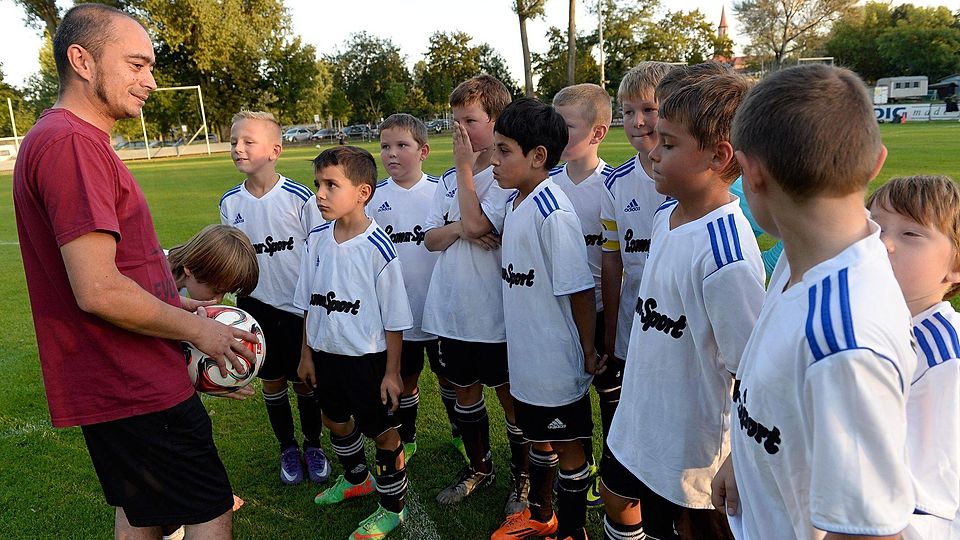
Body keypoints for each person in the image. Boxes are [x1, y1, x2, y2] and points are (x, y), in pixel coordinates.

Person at [12, 4, 256, 538]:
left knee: (145, 518)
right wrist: (203, 333)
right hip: (131, 379)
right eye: (136, 65)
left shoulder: (66, 139)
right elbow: (99, 290)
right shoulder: (71, 144)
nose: (150, 81)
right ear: (82, 60)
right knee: (209, 511)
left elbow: (120, 271)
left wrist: (177, 305)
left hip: (119, 377)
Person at [712, 64, 916, 539]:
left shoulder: (842, 341)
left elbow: (869, 530)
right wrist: (743, 456)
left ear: (752, 174)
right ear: (876, 163)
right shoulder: (804, 255)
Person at [601, 74, 764, 540]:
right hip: (643, 421)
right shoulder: (664, 216)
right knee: (620, 500)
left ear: (718, 155)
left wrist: (738, 459)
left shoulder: (725, 256)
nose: (652, 152)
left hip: (691, 449)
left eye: (668, 144)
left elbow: (753, 370)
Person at [487, 98, 600, 540]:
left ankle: (573, 530)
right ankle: (541, 516)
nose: (494, 160)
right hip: (528, 357)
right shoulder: (517, 203)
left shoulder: (554, 214)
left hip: (556, 362)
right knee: (538, 438)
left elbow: (579, 288)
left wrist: (587, 351)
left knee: (570, 450)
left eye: (503, 151)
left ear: (537, 156)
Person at [421, 75, 530, 514]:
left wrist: (467, 176)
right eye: (455, 120)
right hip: (452, 310)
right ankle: (479, 467)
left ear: (497, 119)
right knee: (463, 392)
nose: (460, 130)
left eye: (470, 119)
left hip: (496, 314)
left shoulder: (505, 177)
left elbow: (482, 225)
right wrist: (462, 229)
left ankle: (522, 480)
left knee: (511, 400)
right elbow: (431, 238)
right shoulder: (447, 179)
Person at [296, 146, 412, 539]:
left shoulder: (378, 248)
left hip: (367, 358)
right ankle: (357, 477)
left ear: (363, 192)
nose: (321, 194)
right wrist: (306, 354)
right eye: (317, 185)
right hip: (325, 354)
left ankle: (392, 507)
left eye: (332, 185)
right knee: (335, 420)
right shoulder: (315, 240)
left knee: (382, 431)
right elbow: (308, 302)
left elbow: (395, 319)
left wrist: (392, 373)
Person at [219, 110, 329, 487]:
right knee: (272, 382)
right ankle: (287, 447)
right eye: (234, 141)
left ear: (275, 149)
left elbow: (320, 253)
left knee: (305, 380)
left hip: (298, 308)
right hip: (254, 308)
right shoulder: (230, 203)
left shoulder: (299, 198)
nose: (237, 148)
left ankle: (313, 445)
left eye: (248, 141)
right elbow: (230, 257)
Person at [867, 175, 960, 540]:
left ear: (955, 267)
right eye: (875, 226)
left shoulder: (941, 361)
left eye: (911, 235)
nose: (884, 244)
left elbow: (929, 496)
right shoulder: (874, 320)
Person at [370, 113, 462, 461]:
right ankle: (406, 436)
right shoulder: (374, 198)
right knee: (404, 380)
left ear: (423, 151)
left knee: (449, 379)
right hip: (398, 314)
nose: (391, 153)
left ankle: (460, 431)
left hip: (438, 308)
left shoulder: (442, 191)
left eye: (402, 146)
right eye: (385, 146)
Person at [549, 83, 614, 507]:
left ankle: (612, 470)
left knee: (610, 397)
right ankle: (580, 462)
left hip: (603, 311)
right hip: (557, 313)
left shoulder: (613, 184)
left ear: (597, 133)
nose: (557, 137)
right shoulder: (546, 184)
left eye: (567, 128)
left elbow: (616, 259)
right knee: (568, 396)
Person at [599, 62, 672, 404]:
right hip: (635, 324)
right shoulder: (615, 183)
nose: (637, 121)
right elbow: (613, 261)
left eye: (649, 110)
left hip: (681, 327)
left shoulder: (694, 179)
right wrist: (613, 330)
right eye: (628, 111)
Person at [167, 224, 259, 303]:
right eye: (216, 291)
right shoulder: (153, 285)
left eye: (225, 293)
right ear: (189, 268)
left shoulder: (176, 283)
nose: (219, 300)